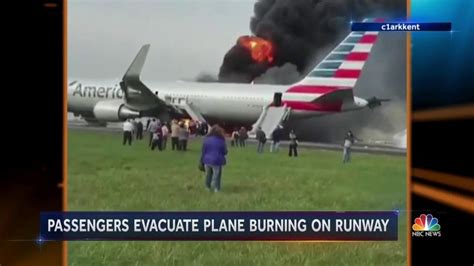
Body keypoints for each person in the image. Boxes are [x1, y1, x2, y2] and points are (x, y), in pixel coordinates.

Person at [200, 125, 228, 192]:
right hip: (217, 160)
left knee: (208, 174)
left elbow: (203, 151)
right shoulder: (221, 140)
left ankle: (207, 187)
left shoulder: (207, 139)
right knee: (217, 175)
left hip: (206, 160)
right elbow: (225, 151)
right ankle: (216, 188)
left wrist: (201, 160)